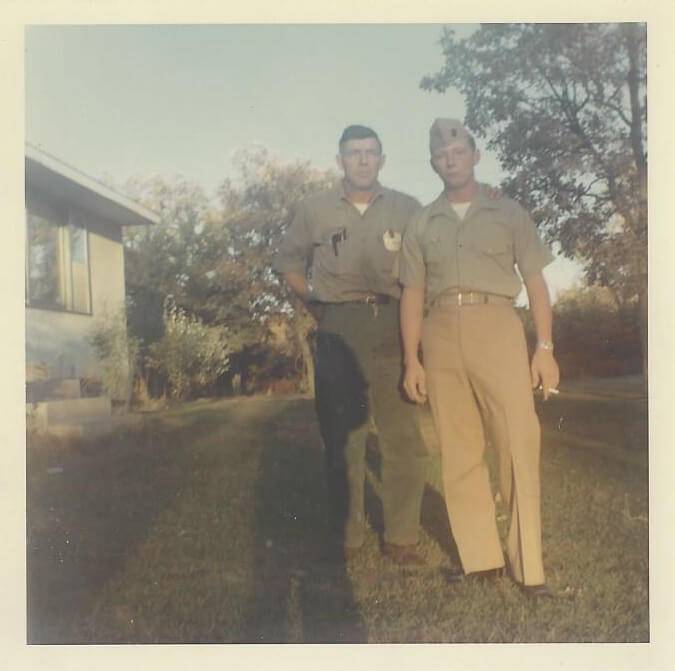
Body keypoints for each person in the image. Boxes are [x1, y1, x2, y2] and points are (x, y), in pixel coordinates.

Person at [399, 118, 560, 597]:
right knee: (459, 446)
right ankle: (480, 561)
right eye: (442, 155)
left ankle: (529, 570)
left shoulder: (507, 211)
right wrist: (413, 359)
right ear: (433, 163)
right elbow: (412, 293)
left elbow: (535, 282)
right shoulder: (422, 221)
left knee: (516, 441)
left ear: (475, 155)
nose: (451, 160)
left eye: (459, 152)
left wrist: (545, 348)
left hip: (497, 326)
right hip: (441, 328)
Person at [274, 125, 429, 566]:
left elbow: (429, 261)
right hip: (339, 324)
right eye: (353, 153)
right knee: (344, 436)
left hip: (393, 323)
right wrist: (314, 304)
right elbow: (287, 262)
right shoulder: (314, 209)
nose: (362, 160)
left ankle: (401, 537)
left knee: (402, 436)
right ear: (340, 160)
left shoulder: (407, 208)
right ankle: (348, 534)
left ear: (382, 160)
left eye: (370, 153)